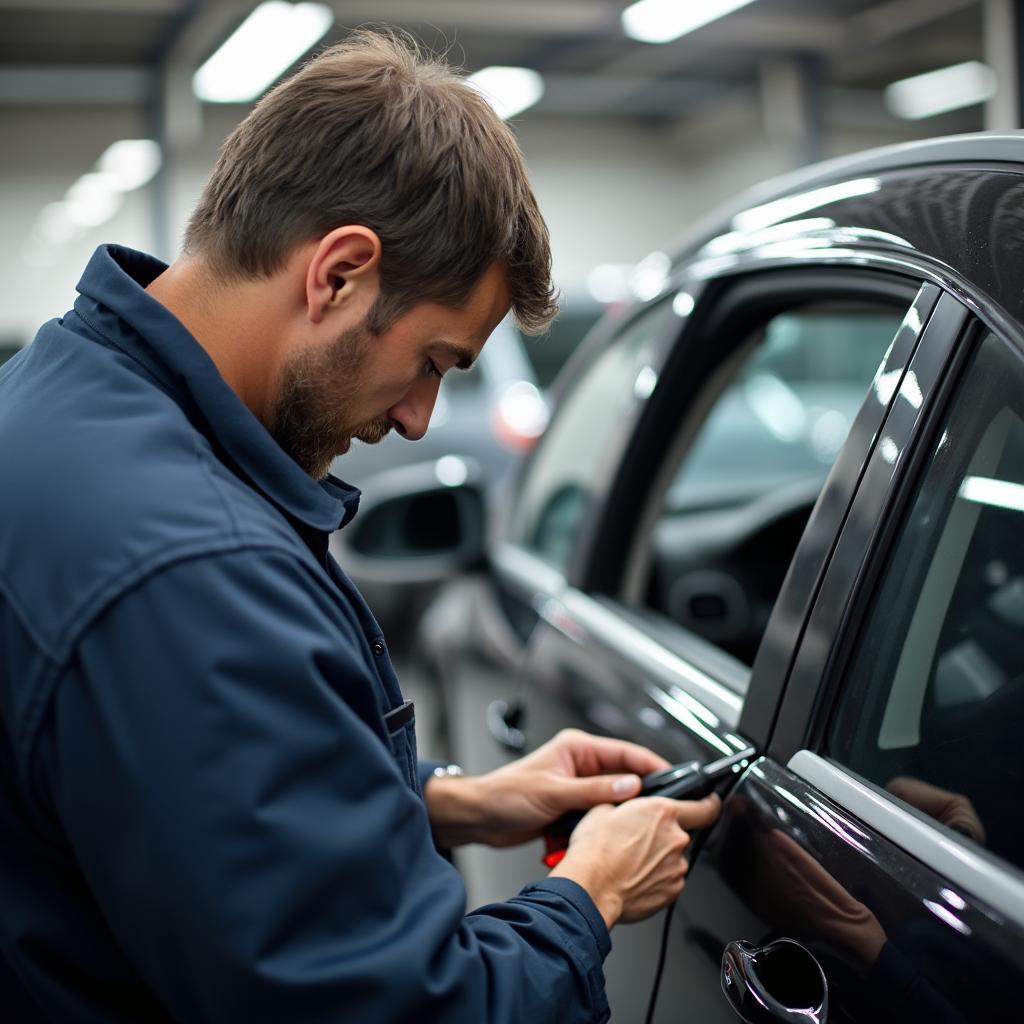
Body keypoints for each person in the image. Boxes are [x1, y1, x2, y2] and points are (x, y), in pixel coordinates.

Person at [0, 30, 720, 1023]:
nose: (420, 417)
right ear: (338, 274)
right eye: (434, 359)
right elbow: (397, 1009)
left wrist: (448, 800)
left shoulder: (50, 404)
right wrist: (586, 896)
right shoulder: (196, 570)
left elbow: (152, 797)